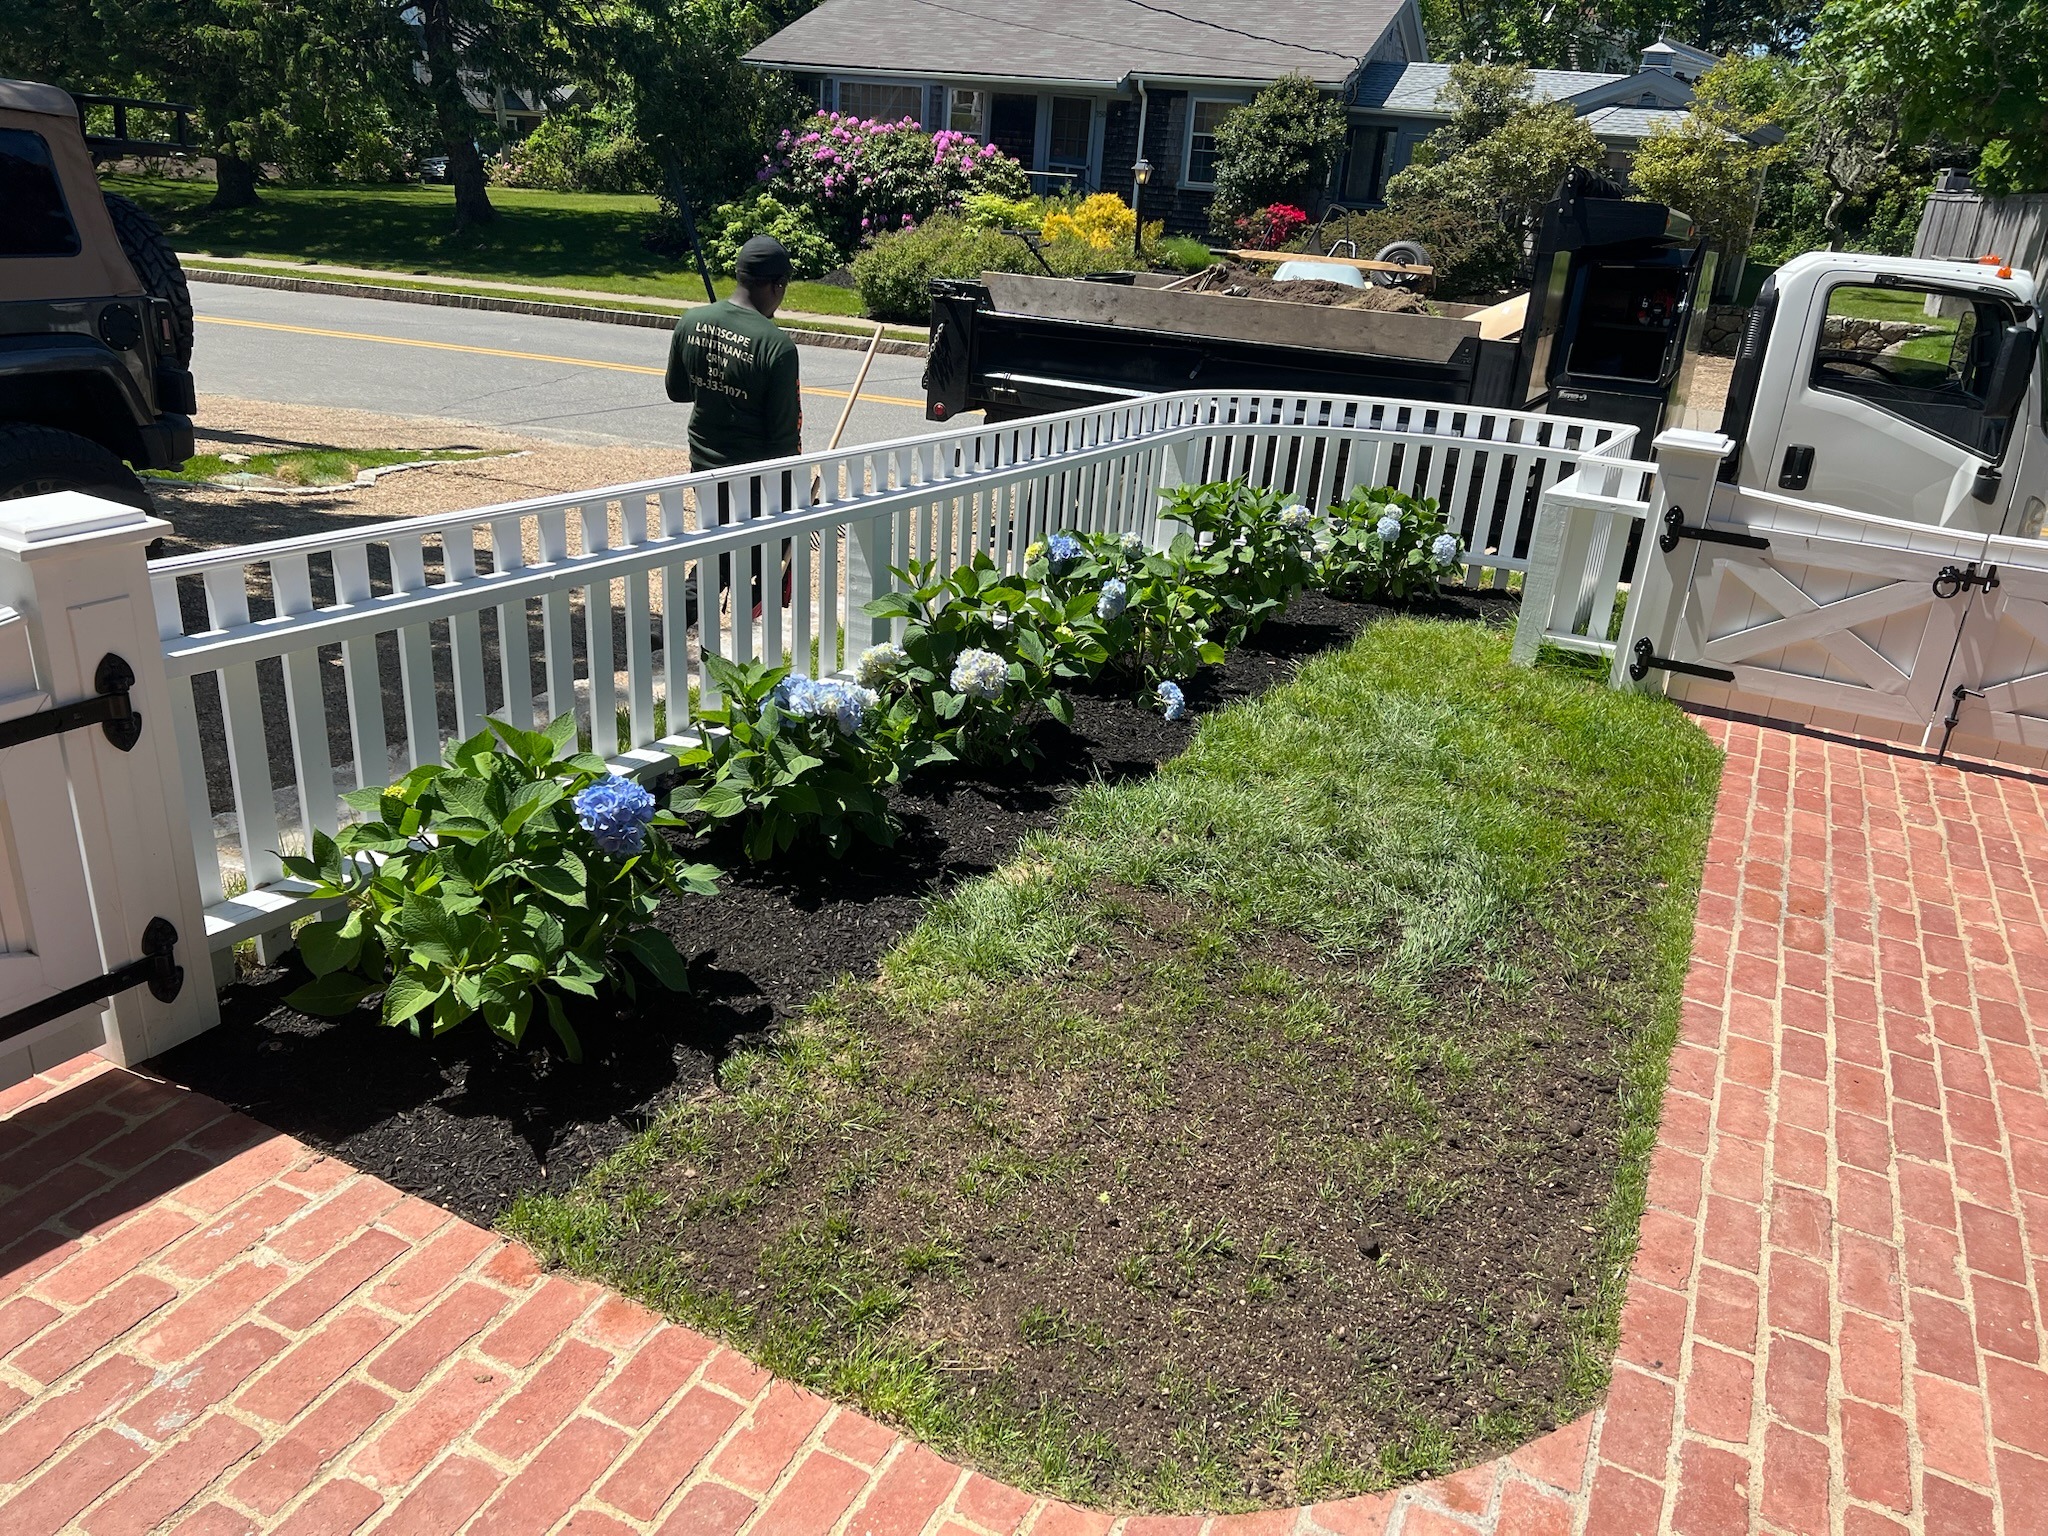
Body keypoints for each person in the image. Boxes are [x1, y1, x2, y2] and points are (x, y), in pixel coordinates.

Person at [665, 235, 802, 614]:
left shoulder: (692, 321)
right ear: (777, 285)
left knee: (722, 548)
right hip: (755, 476)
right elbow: (783, 436)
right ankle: (674, 625)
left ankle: (683, 624)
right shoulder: (777, 346)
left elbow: (678, 391)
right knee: (738, 559)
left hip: (704, 465)